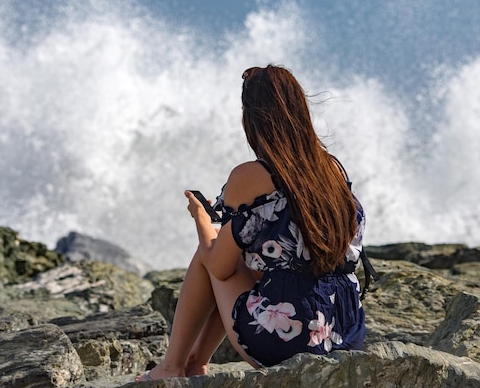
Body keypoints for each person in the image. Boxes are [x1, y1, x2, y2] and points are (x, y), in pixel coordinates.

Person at [136, 64, 376, 382]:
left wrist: (202, 220)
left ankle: (171, 366)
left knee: (211, 251)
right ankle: (194, 362)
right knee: (247, 260)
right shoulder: (333, 170)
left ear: (252, 118)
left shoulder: (251, 175)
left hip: (290, 338)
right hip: (346, 331)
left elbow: (219, 267)